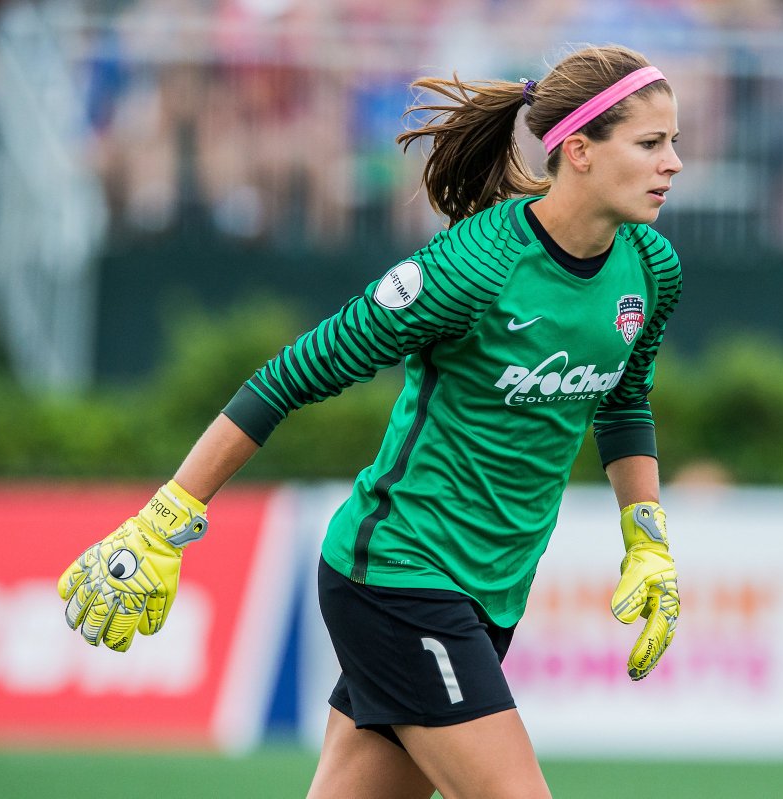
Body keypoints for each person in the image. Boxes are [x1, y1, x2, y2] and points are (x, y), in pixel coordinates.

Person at [59, 43, 684, 798]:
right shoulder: (475, 266)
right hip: (397, 574)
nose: (673, 163)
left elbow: (623, 399)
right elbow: (292, 373)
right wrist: (168, 516)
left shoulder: (651, 267)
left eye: (673, 142)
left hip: (492, 590)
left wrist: (644, 533)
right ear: (578, 151)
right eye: (651, 143)